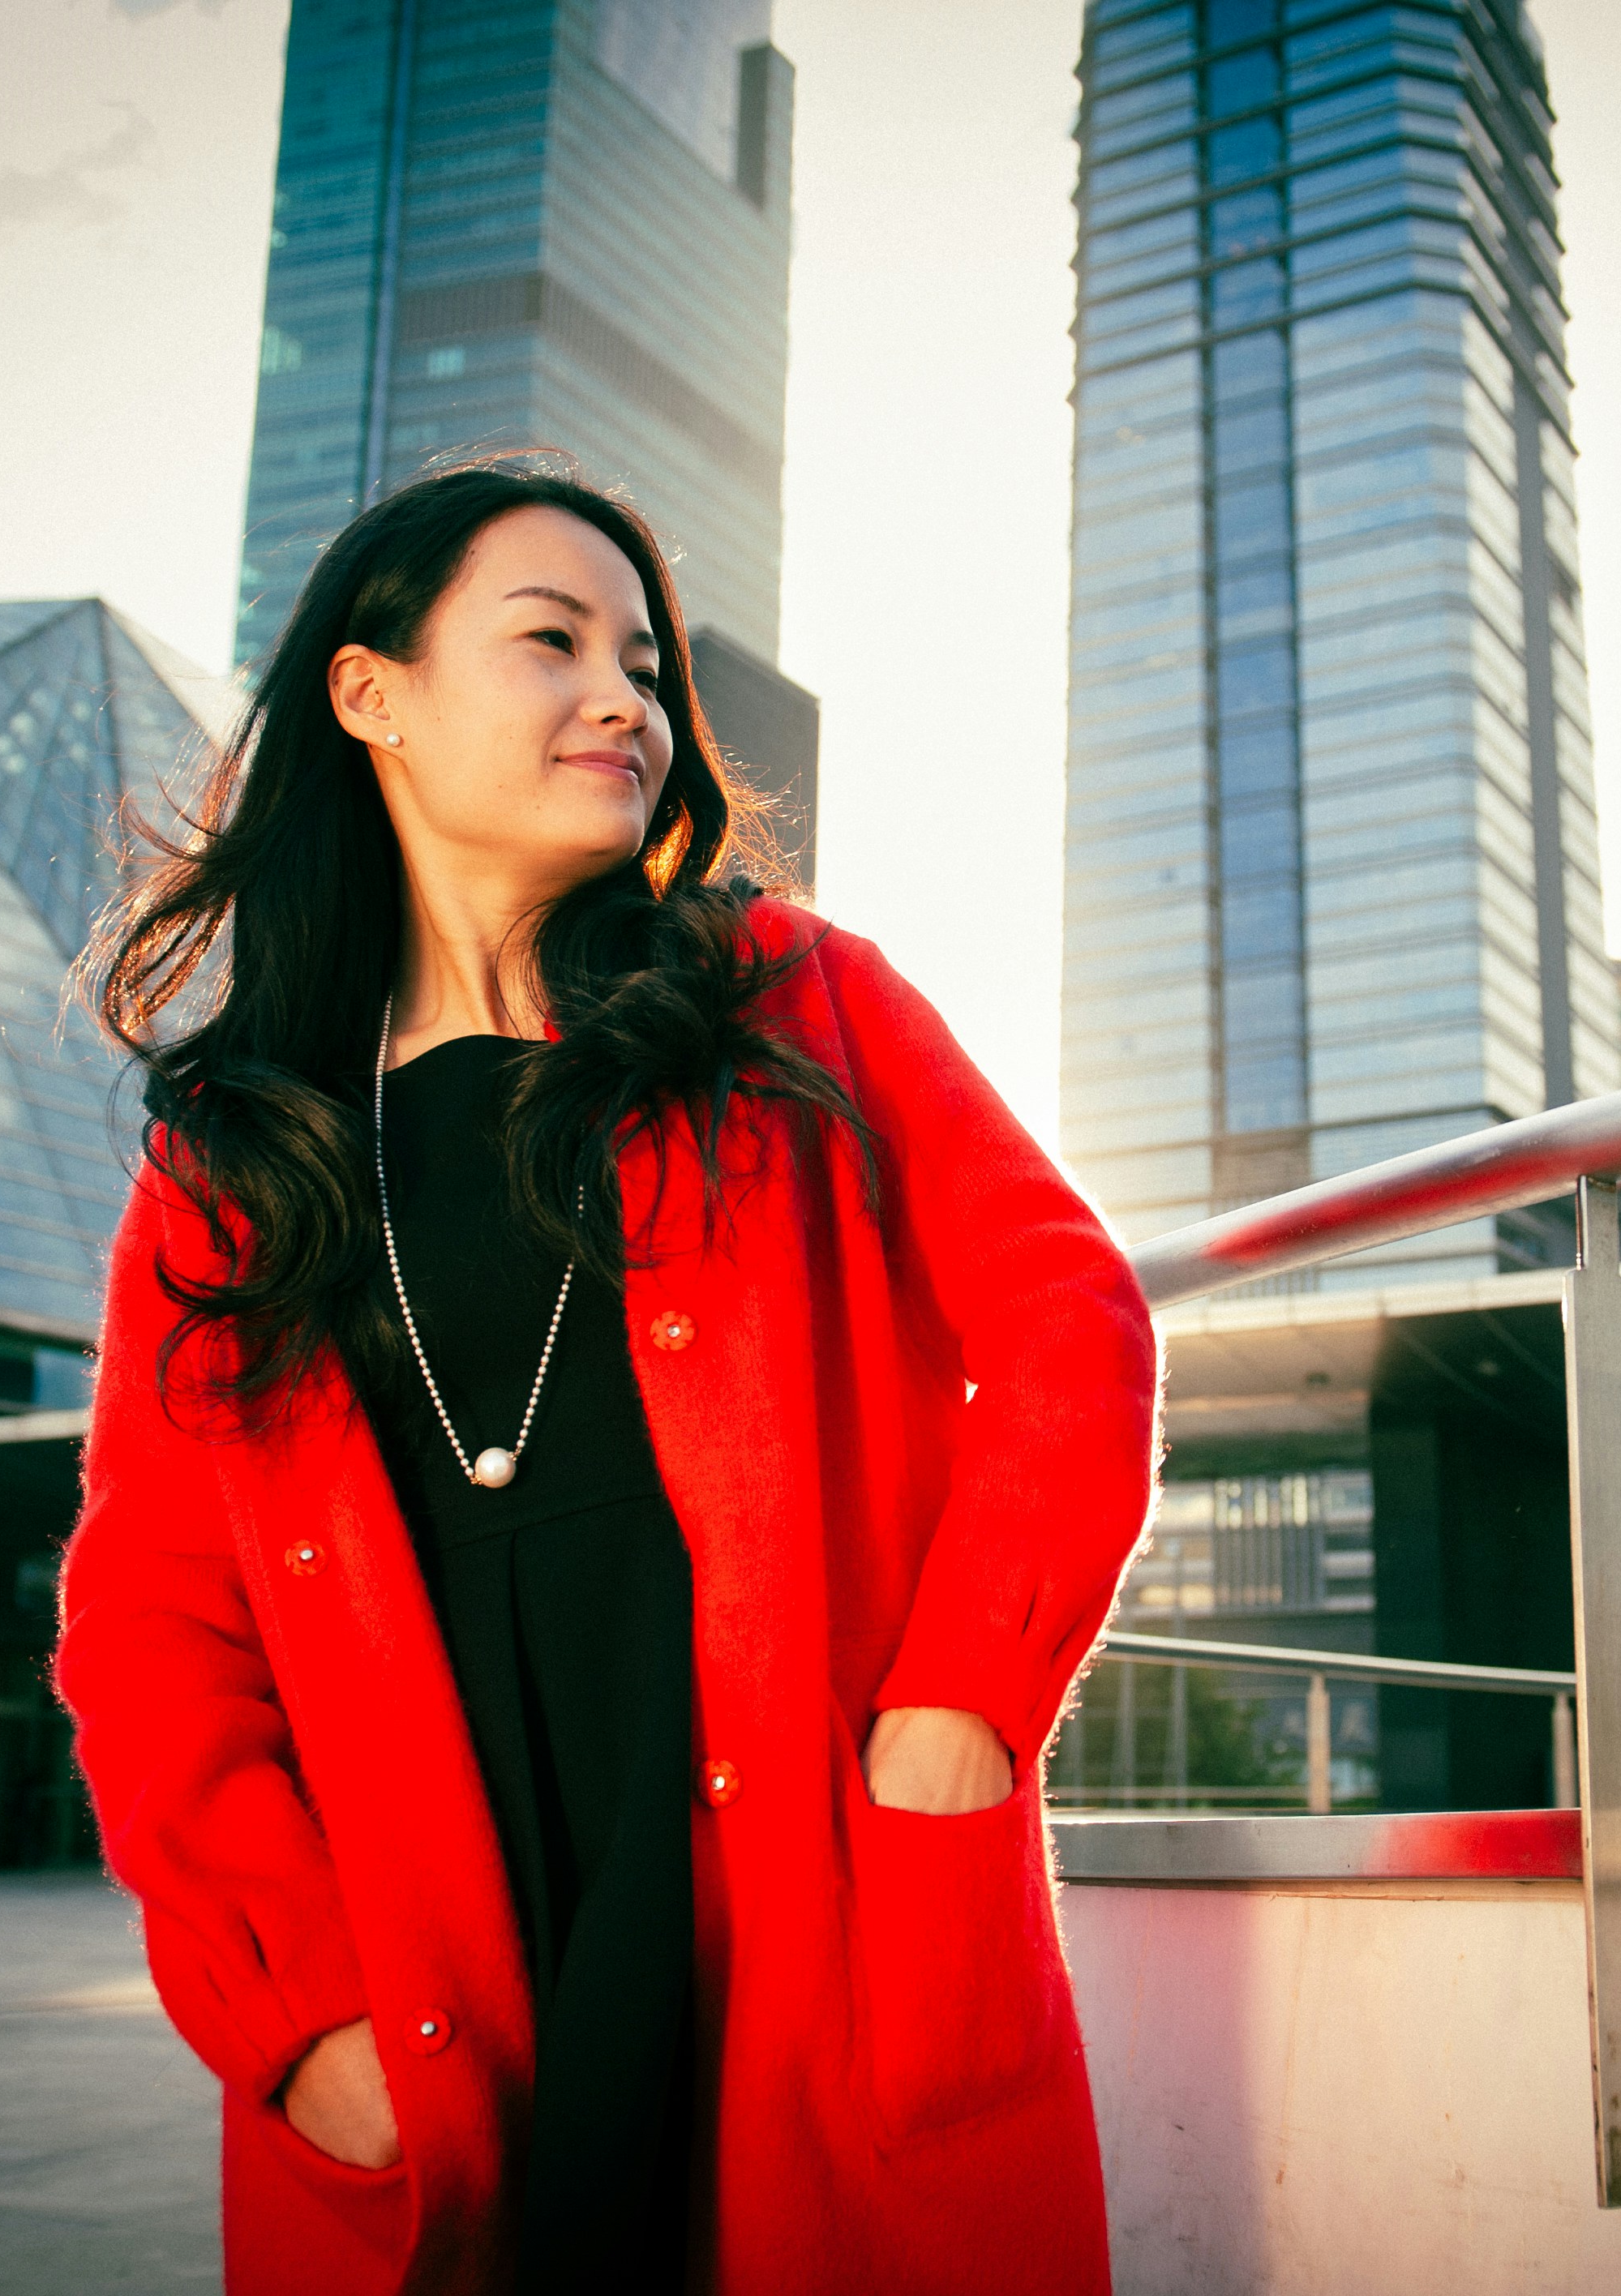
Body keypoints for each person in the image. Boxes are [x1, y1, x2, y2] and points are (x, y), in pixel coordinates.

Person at [57, 459, 1158, 2294]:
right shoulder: (235, 1163)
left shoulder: (791, 998)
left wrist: (964, 1700)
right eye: (552, 641)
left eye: (643, 662)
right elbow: (149, 1620)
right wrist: (300, 2017)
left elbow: (1066, 1313)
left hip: (806, 1896)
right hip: (436, 1973)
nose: (623, 701)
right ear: (371, 694)